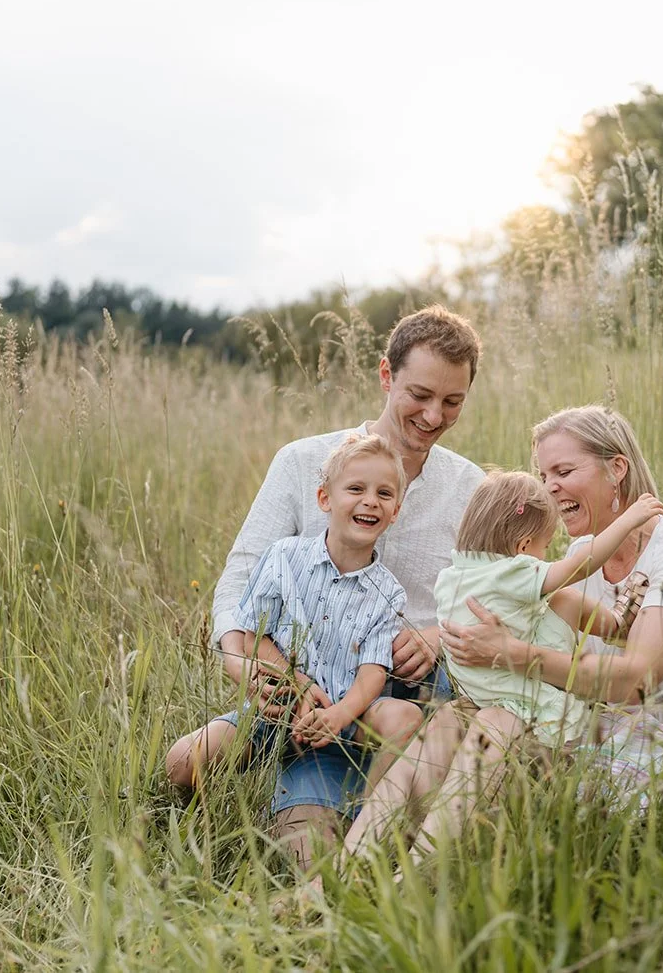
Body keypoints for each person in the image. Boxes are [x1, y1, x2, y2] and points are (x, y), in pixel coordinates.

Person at [342, 405, 663, 860]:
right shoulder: (584, 550)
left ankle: (419, 874)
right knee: (452, 720)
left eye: (563, 471)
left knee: (495, 723)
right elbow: (539, 611)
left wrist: (510, 653)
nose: (550, 487)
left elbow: (638, 682)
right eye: (544, 474)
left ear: (617, 469)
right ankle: (351, 870)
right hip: (585, 725)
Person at [203, 305, 485, 869]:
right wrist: (261, 670)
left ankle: (394, 826)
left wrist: (435, 634)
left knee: (412, 851)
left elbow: (499, 603)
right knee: (305, 855)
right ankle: (286, 787)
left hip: (417, 698)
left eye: (452, 401)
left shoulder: (471, 487)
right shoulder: (304, 461)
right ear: (386, 376)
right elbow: (239, 584)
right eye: (419, 394)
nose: (433, 415)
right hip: (310, 695)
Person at [165, 434, 424, 797]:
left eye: (384, 494)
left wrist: (339, 715)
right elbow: (255, 637)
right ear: (324, 498)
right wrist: (298, 682)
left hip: (347, 720)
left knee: (404, 717)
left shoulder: (388, 591)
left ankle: (368, 807)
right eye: (355, 489)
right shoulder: (284, 557)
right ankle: (220, 805)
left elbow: (372, 673)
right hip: (277, 710)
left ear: (396, 510)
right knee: (181, 761)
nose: (370, 501)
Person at [435, 470, 663, 748]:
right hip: (524, 698)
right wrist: (628, 520)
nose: (546, 557)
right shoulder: (512, 572)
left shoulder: (453, 574)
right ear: (523, 546)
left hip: (479, 690)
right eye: (545, 547)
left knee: (550, 601)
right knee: (565, 597)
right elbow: (581, 565)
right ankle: (615, 624)